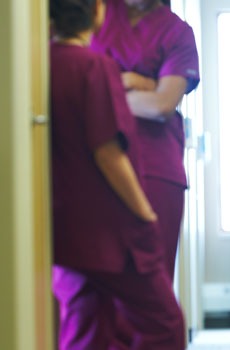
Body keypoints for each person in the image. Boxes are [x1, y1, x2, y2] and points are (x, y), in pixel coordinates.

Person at [49, 0, 185, 348]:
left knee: (86, 313)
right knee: (156, 318)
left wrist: (110, 91)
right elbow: (110, 151)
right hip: (111, 188)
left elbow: (161, 105)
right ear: (95, 10)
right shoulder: (92, 66)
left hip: (134, 175)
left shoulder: (174, 31)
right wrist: (145, 214)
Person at [90, 0, 200, 282]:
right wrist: (138, 83)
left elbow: (161, 106)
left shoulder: (177, 32)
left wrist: (102, 94)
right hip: (90, 160)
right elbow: (70, 74)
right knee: (95, 279)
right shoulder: (94, 12)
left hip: (156, 165)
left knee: (152, 278)